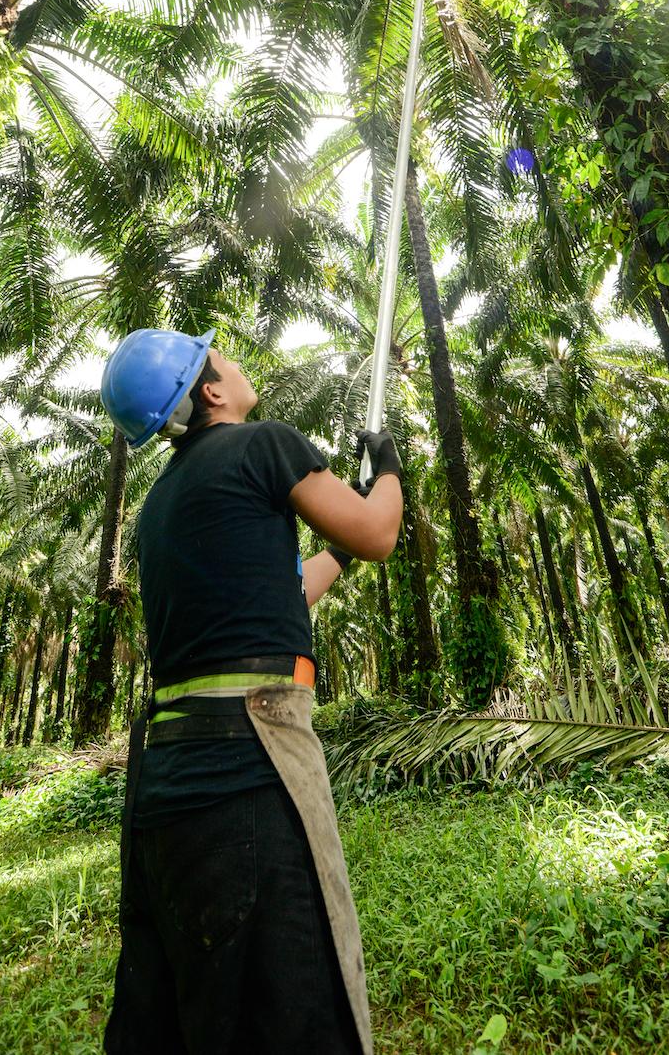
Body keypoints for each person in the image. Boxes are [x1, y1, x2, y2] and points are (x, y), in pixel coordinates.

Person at [98, 326, 403, 1055]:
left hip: (167, 776)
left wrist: (339, 544)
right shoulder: (265, 443)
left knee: (200, 1007)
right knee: (293, 998)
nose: (234, 362)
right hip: (252, 753)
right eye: (221, 357)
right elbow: (380, 533)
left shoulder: (162, 506)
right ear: (210, 390)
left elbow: (282, 595)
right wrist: (386, 471)